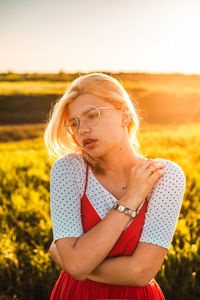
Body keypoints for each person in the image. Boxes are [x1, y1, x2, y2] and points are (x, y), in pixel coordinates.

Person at [44, 73, 186, 300]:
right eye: (74, 123)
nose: (82, 130)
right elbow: (77, 265)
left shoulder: (165, 176)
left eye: (92, 115)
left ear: (125, 114)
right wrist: (130, 198)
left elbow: (141, 272)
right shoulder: (68, 170)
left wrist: (73, 261)